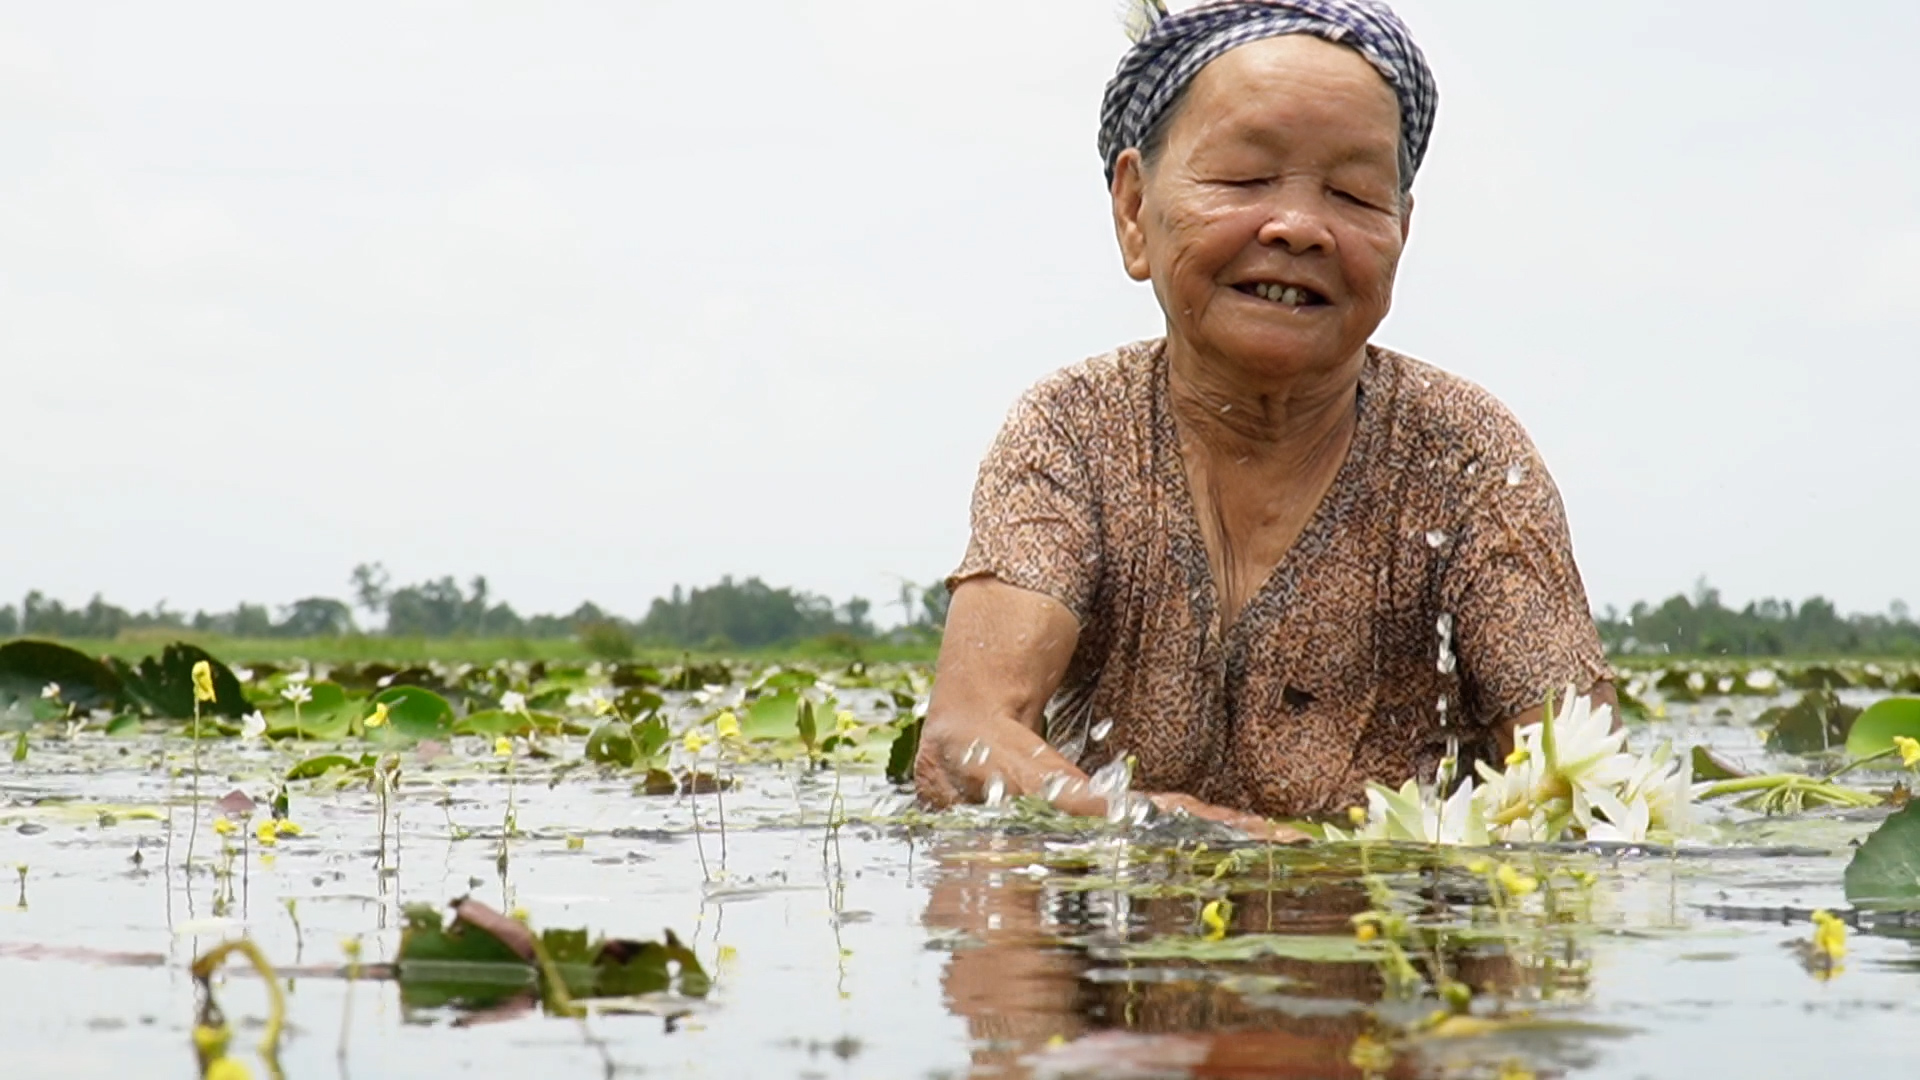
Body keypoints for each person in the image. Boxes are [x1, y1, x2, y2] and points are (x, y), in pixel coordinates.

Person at [914, 0, 1613, 841]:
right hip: (1113, 946)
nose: (1300, 227)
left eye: (1354, 193)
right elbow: (964, 744)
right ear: (1134, 211)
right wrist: (1166, 830)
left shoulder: (1463, 454)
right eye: (1245, 179)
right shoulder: (1073, 431)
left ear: (1402, 232)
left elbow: (1592, 793)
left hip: (1389, 949)